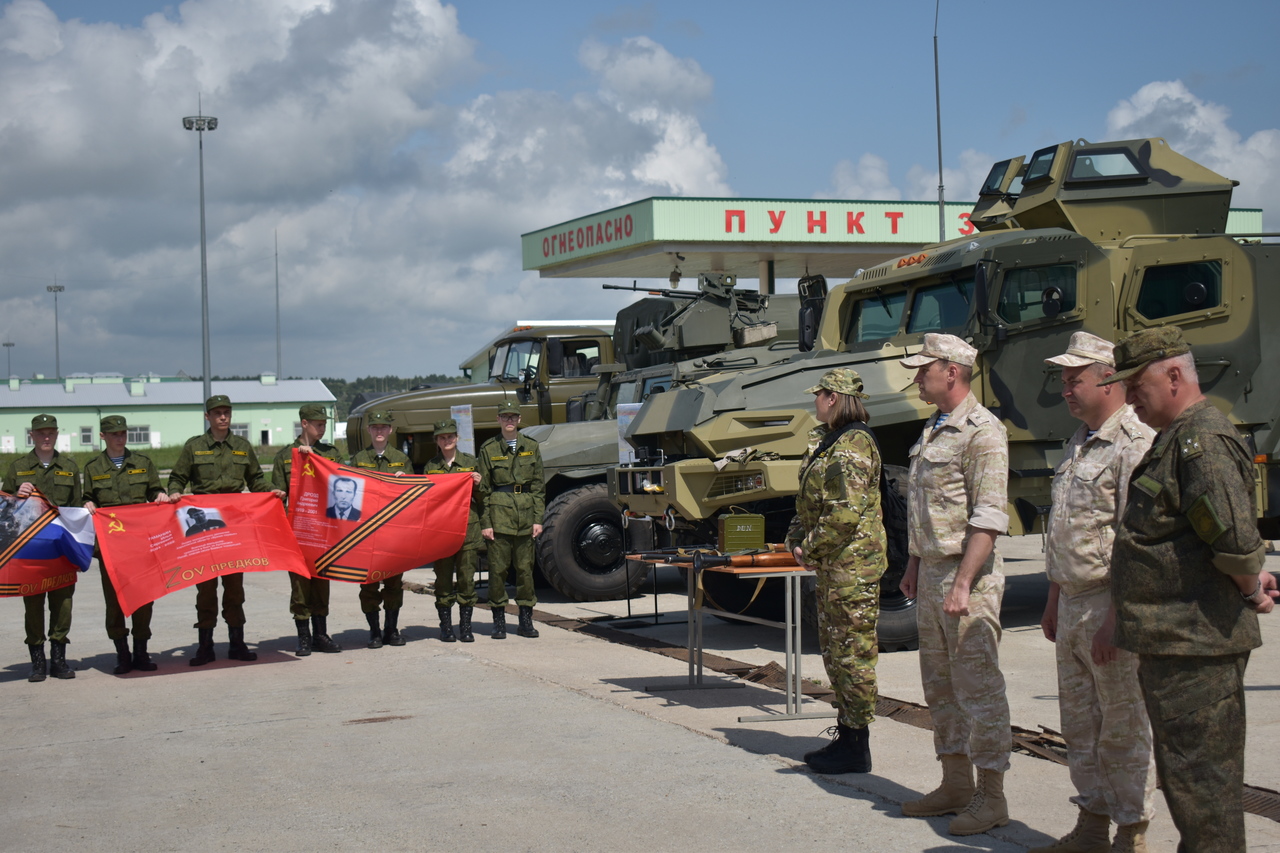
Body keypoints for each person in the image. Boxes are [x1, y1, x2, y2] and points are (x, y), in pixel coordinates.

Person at [1102, 326, 1276, 852]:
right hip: (1177, 642)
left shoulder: (1202, 442)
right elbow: (1199, 533)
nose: (1129, 397)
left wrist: (1250, 589)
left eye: (1137, 384)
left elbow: (1235, 539)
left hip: (1196, 645)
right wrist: (1249, 579)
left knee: (1203, 788)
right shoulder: (1176, 440)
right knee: (1187, 782)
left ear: (1174, 375)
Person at [1032, 333, 1157, 853]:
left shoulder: (1135, 444)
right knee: (1080, 726)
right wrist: (1054, 598)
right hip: (1075, 602)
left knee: (1123, 728)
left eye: (1073, 379)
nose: (1065, 389)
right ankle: (1091, 823)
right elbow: (1068, 528)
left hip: (1111, 606)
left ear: (1108, 380)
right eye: (1063, 380)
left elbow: (1137, 540)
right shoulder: (1079, 442)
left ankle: (1132, 832)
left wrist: (1117, 620)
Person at [898, 333, 1012, 836]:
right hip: (932, 572)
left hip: (969, 575)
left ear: (953, 370)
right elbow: (924, 506)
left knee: (978, 689)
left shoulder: (983, 431)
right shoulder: (934, 427)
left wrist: (963, 581)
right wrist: (914, 562)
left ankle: (992, 797)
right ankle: (955, 783)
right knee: (939, 686)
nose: (916, 375)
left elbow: (988, 516)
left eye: (924, 368)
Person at [785, 368, 887, 775]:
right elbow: (810, 502)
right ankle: (847, 736)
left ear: (833, 398)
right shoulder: (832, 442)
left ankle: (855, 745)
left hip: (852, 570)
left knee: (853, 656)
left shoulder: (852, 445)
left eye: (820, 395)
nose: (815, 402)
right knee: (836, 653)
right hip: (836, 567)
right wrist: (796, 534)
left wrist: (808, 548)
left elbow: (843, 513)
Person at [168, 394, 285, 666]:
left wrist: (271, 491)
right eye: (217, 412)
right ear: (207, 417)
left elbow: (256, 479)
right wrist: (173, 492)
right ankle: (205, 646)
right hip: (202, 527)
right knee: (205, 587)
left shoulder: (242, 446)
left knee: (234, 588)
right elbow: (177, 478)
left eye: (227, 412)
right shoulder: (194, 447)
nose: (223, 416)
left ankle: (237, 643)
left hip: (234, 525)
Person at [82, 415, 173, 675]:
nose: (119, 438)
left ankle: (141, 652)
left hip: (141, 544)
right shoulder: (92, 467)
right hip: (111, 547)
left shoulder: (142, 463)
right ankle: (122, 654)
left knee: (144, 598)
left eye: (122, 433)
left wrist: (159, 496)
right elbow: (87, 498)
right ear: (103, 436)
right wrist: (87, 504)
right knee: (114, 601)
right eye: (113, 434)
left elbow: (154, 490)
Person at [3, 413, 82, 682]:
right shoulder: (17, 468)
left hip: (60, 551)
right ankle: (37, 662)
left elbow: (76, 509)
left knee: (63, 606)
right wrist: (17, 495)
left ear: (57, 434)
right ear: (32, 436)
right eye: (41, 433)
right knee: (33, 606)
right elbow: (6, 511)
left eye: (50, 432)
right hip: (31, 552)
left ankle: (59, 660)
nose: (46, 437)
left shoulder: (69, 467)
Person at [273, 404, 344, 656]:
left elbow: (345, 481)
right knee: (300, 585)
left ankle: (321, 635)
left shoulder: (331, 452)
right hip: (298, 532)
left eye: (324, 424)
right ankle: (303, 637)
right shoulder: (285, 456)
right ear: (304, 423)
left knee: (321, 582)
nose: (322, 428)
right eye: (317, 424)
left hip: (324, 530)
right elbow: (277, 497)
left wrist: (315, 456)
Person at [478, 400, 544, 639]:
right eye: (504, 416)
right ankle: (498, 620)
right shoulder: (488, 449)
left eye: (513, 417)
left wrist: (538, 518)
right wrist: (485, 522)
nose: (509, 420)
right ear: (498, 419)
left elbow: (537, 486)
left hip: (526, 516)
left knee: (525, 570)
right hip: (499, 517)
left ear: (518, 419)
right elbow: (483, 490)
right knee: (497, 571)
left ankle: (526, 620)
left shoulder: (531, 446)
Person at [349, 410, 411, 648]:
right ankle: (374, 631)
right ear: (368, 430)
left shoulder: (400, 459)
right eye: (375, 427)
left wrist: (404, 479)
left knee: (394, 583)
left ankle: (391, 629)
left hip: (393, 532)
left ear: (390, 430)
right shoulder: (358, 459)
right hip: (366, 533)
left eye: (384, 427)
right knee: (368, 583)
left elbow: (414, 494)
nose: (379, 431)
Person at [425, 418, 483, 643]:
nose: (446, 440)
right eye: (442, 437)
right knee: (443, 579)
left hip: (467, 529)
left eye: (450, 436)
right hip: (441, 531)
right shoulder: (431, 467)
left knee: (467, 579)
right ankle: (446, 626)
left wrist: (478, 484)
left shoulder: (470, 462)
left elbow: (482, 497)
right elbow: (427, 500)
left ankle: (465, 626)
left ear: (457, 438)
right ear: (437, 441)